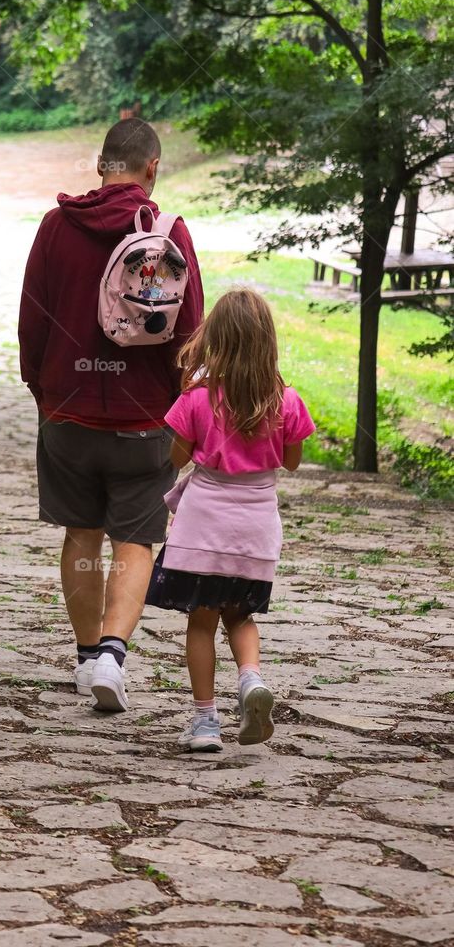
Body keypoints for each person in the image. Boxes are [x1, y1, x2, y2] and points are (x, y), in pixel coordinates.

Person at [18, 118, 204, 712]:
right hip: (145, 416)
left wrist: (43, 390)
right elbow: (192, 331)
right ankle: (111, 659)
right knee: (136, 541)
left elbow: (32, 318)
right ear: (152, 168)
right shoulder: (170, 231)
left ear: (101, 165)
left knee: (81, 535)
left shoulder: (55, 227)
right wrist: (183, 409)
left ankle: (82, 656)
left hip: (68, 411)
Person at [146, 288, 315, 752]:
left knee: (201, 623)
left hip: (204, 525)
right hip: (256, 529)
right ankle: (250, 679)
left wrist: (193, 422)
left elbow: (176, 458)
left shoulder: (199, 399)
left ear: (214, 339)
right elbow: (292, 460)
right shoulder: (287, 401)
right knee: (240, 615)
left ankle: (204, 723)